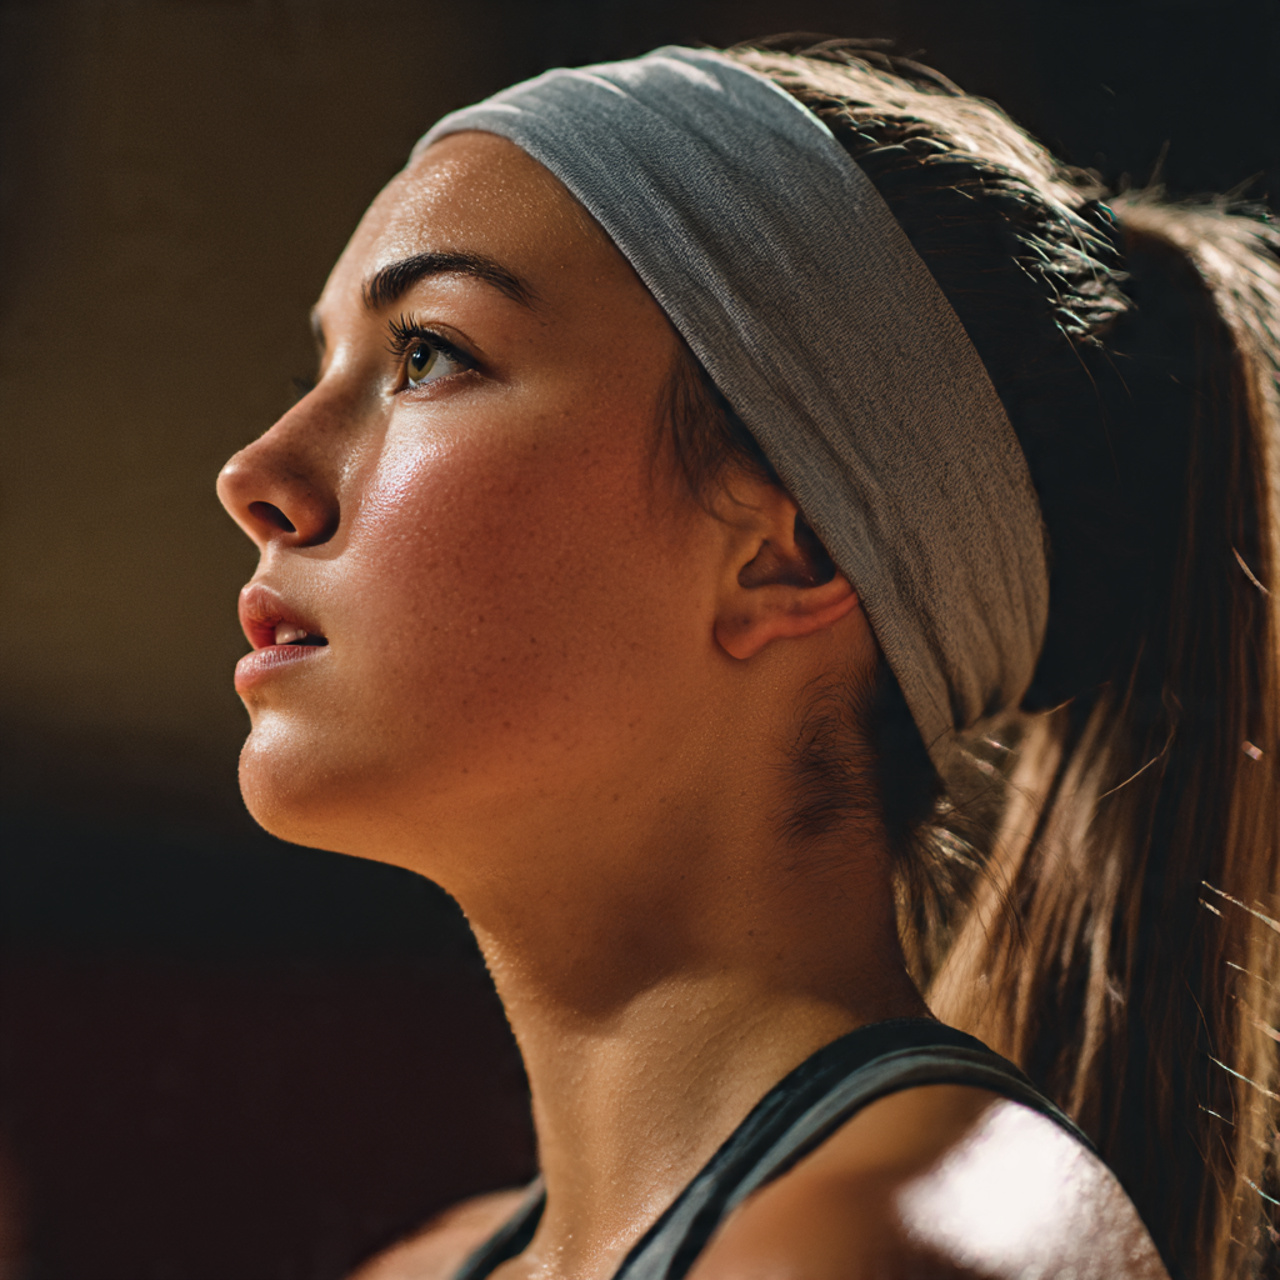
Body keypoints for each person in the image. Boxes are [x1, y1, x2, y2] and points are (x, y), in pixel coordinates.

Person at [216, 35, 1280, 1280]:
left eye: (426, 355)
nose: (257, 474)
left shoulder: (899, 1247)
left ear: (788, 553)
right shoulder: (422, 1265)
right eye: (324, 365)